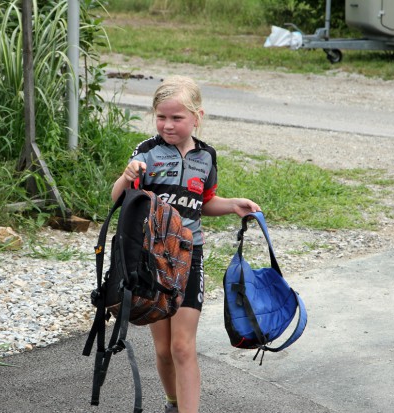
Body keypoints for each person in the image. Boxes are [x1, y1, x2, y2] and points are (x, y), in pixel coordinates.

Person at [111, 75, 261, 413]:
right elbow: (118, 199)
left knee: (182, 347)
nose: (167, 125)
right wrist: (126, 176)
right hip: (152, 261)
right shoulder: (146, 154)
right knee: (163, 350)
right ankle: (173, 403)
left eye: (177, 118)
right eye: (161, 117)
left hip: (189, 257)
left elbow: (203, 202)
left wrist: (233, 204)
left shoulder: (206, 157)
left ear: (197, 116)